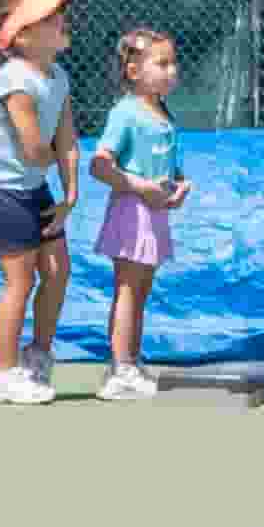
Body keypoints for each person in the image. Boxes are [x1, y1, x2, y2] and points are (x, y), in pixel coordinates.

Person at [0, 0, 80, 403]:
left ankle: (37, 357)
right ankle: (1, 374)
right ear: (23, 37)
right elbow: (34, 149)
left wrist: (70, 196)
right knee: (20, 281)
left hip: (35, 190)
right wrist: (57, 160)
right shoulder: (14, 78)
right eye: (49, 18)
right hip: (1, 192)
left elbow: (67, 139)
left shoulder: (59, 77)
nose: (60, 21)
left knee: (57, 271)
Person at [87, 25, 191, 396]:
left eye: (173, 63)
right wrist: (138, 186)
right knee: (128, 288)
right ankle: (119, 369)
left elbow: (169, 168)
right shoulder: (125, 113)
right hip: (131, 212)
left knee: (142, 289)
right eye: (162, 64)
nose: (171, 71)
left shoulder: (163, 112)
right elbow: (99, 165)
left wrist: (179, 186)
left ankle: (131, 361)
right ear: (133, 71)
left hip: (156, 213)